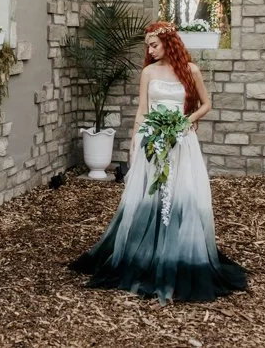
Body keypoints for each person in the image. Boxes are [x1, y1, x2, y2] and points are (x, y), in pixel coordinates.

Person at [69, 21, 248, 303]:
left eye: (154, 45)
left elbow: (206, 104)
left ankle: (178, 254)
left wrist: (184, 122)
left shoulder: (190, 71)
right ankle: (144, 254)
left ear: (169, 43)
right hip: (152, 140)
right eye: (148, 46)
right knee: (149, 195)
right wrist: (133, 144)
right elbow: (142, 110)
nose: (150, 50)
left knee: (181, 194)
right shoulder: (148, 72)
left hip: (181, 141)